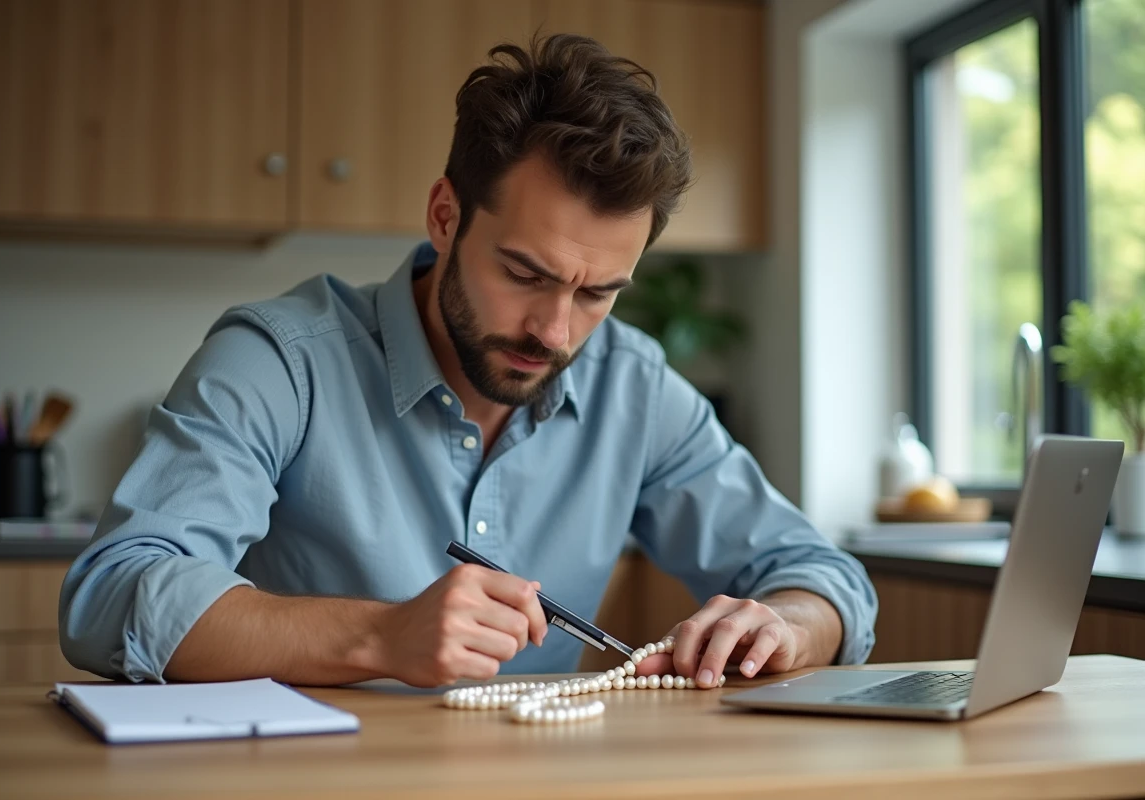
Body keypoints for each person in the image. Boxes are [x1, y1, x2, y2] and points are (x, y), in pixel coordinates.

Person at [59, 34, 876, 690]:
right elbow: (111, 594)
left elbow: (816, 573)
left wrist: (789, 624)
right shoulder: (281, 362)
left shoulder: (635, 387)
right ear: (446, 216)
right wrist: (379, 635)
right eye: (525, 274)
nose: (556, 331)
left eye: (598, 293)